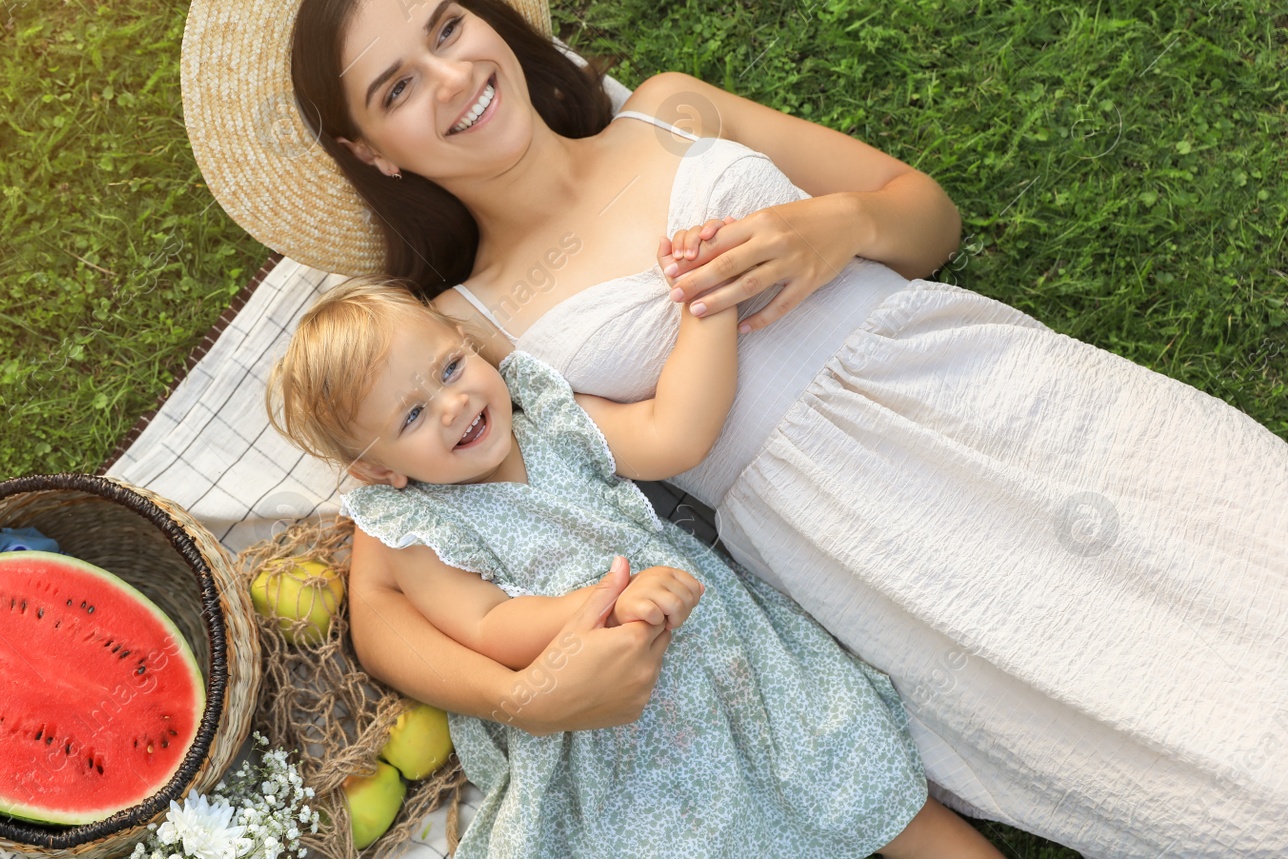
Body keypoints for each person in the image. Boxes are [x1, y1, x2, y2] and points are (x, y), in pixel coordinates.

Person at [182, 0, 1288, 858]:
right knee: (1162, 727)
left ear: (483, 13)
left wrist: (837, 226)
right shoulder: (463, 333)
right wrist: (525, 697)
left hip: (962, 375)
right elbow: (381, 594)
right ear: (369, 152)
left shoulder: (671, 113)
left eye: (445, 29)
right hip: (846, 521)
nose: (453, 78)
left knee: (1233, 522)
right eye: (397, 89)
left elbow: (927, 217)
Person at [265, 273, 1005, 859]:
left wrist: (704, 310)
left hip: (730, 657)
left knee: (858, 771)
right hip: (613, 732)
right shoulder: (419, 529)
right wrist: (603, 603)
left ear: (467, 341)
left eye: (450, 367)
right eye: (411, 417)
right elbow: (489, 624)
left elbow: (671, 429)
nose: (455, 404)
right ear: (379, 470)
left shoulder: (548, 419)